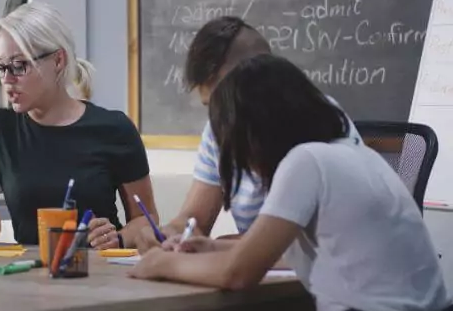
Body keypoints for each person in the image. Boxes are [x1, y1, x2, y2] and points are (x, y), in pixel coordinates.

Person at [130, 54, 452, 311]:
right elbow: (302, 255)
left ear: (255, 131)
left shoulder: (305, 163)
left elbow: (238, 274)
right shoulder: (354, 155)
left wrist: (162, 263)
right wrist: (212, 247)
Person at [135, 16, 361, 251]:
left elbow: (310, 243)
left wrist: (222, 247)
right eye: (211, 107)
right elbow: (194, 220)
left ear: (260, 77)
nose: (220, 120)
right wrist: (170, 234)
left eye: (227, 105)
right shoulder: (217, 128)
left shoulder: (315, 122)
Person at [0, 1, 158, 252]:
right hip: (26, 276)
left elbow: (147, 219)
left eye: (18, 66)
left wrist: (118, 239)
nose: (6, 80)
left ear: (58, 60)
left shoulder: (115, 129)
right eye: (1, 67)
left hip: (99, 274)